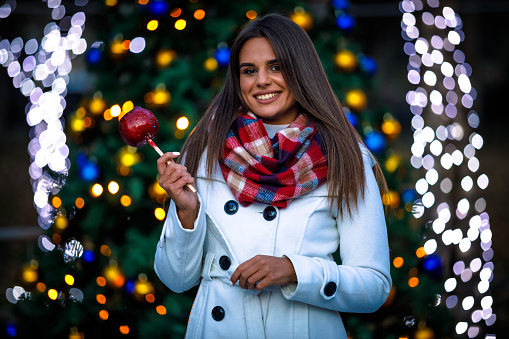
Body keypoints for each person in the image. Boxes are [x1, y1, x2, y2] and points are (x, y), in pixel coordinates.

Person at [154, 13, 391, 339]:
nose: (262, 80)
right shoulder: (205, 150)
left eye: (276, 67)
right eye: (249, 71)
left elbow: (374, 286)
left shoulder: (343, 156)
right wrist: (186, 212)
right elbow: (176, 280)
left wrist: (295, 271)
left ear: (301, 72)